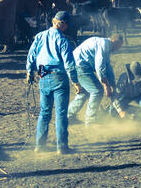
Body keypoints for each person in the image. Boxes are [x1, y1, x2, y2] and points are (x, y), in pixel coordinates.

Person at [26, 11, 83, 155]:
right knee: (61, 113)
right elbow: (69, 64)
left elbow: (31, 55)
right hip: (59, 76)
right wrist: (75, 82)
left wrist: (29, 72)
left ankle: (40, 146)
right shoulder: (63, 40)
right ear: (64, 24)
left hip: (43, 75)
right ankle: (62, 147)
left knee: (44, 112)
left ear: (53, 21)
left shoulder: (39, 36)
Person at [68, 34, 123, 126]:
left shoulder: (105, 45)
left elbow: (107, 66)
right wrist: (106, 85)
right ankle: (91, 120)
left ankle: (68, 117)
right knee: (97, 91)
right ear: (114, 41)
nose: (118, 49)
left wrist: (113, 84)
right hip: (79, 66)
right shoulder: (104, 44)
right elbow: (100, 66)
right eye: (118, 46)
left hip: (78, 65)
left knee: (84, 92)